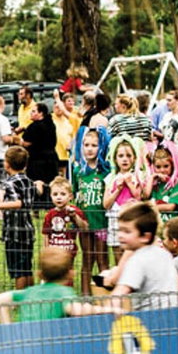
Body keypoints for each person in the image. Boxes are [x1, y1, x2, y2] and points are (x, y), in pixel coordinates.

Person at [0, 246, 118, 323]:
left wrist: (8, 328)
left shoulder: (30, 291)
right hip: (49, 342)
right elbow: (77, 310)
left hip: (25, 342)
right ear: (71, 274)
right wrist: (109, 309)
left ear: (39, 274)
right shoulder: (63, 292)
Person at [102, 202, 178, 310]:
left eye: (127, 231)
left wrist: (107, 308)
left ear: (145, 237)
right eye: (120, 230)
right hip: (173, 313)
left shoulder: (138, 260)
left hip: (149, 318)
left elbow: (121, 291)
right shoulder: (164, 254)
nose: (120, 235)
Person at [0, 146, 36, 291]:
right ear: (25, 165)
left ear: (6, 164)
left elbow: (18, 202)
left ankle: (18, 300)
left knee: (18, 270)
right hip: (28, 230)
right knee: (27, 267)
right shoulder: (29, 182)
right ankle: (31, 296)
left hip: (14, 233)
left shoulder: (10, 183)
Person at [71, 126, 111, 293]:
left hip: (101, 221)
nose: (89, 149)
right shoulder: (78, 170)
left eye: (94, 145)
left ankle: (104, 294)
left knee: (102, 259)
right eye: (86, 145)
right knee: (87, 258)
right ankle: (86, 294)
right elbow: (74, 193)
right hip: (85, 222)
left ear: (100, 147)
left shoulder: (105, 170)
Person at [102, 135, 151, 241]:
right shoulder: (110, 178)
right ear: (115, 158)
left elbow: (139, 197)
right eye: (121, 156)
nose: (125, 159)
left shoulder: (137, 176)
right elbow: (106, 204)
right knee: (117, 250)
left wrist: (130, 184)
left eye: (129, 156)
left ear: (134, 158)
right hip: (115, 217)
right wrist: (117, 190)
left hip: (132, 217)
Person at [41, 176, 88, 264]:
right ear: (50, 196)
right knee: (55, 274)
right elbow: (46, 235)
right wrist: (46, 251)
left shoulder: (75, 211)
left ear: (70, 196)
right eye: (55, 194)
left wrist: (74, 217)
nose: (59, 197)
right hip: (54, 252)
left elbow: (84, 227)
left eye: (63, 194)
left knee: (67, 274)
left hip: (68, 252)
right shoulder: (50, 214)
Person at [20, 100, 59, 189]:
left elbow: (27, 143)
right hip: (52, 160)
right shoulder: (51, 124)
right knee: (50, 185)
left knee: (37, 186)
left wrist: (16, 140)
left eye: (34, 111)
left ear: (41, 113)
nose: (31, 113)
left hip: (37, 162)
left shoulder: (35, 126)